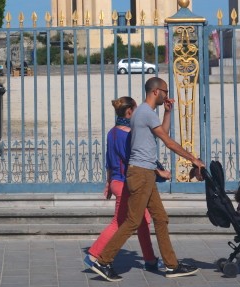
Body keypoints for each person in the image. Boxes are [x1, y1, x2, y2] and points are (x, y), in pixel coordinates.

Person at [89, 77, 204, 282]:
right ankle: (103, 260)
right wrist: (193, 159)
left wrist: (168, 112)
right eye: (165, 92)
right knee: (132, 221)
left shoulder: (144, 113)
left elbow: (162, 134)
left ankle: (172, 265)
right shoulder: (144, 112)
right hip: (141, 173)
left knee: (160, 218)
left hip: (145, 173)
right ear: (156, 91)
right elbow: (168, 142)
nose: (167, 96)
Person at [84, 97, 168, 274]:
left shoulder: (111, 132)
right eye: (136, 110)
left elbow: (109, 160)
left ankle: (150, 260)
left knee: (143, 221)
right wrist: (159, 172)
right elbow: (135, 162)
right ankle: (94, 255)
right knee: (120, 222)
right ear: (129, 112)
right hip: (126, 183)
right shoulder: (128, 135)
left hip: (116, 181)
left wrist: (108, 183)